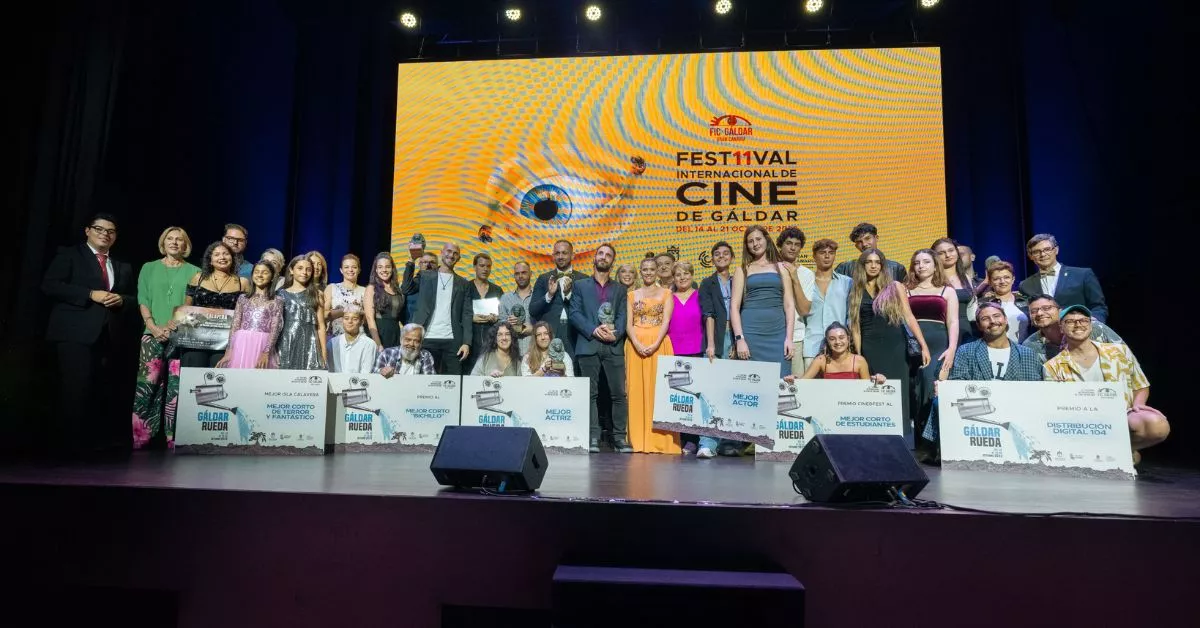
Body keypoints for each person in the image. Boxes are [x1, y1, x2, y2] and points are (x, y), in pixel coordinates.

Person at [43, 213, 137, 457]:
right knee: (75, 389)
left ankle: (92, 443)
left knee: (100, 390)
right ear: (87, 231)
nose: (105, 234)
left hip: (109, 336)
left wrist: (122, 300)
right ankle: (70, 446)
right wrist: (88, 294)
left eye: (110, 231)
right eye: (99, 229)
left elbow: (132, 298)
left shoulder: (122, 265)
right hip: (75, 333)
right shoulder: (70, 255)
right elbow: (50, 285)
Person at [1044, 305, 1167, 462]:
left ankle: (1121, 451)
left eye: (1083, 320)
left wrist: (1138, 404)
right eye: (1070, 321)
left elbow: (1140, 384)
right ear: (1061, 327)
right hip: (1081, 424)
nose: (1078, 324)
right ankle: (1116, 456)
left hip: (1122, 416)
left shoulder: (1119, 352)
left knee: (1157, 425)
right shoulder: (1053, 366)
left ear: (1090, 325)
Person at [848, 248, 931, 446]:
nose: (874, 265)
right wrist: (858, 355)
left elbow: (909, 316)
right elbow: (855, 326)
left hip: (895, 346)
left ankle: (900, 440)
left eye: (877, 262)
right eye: (869, 262)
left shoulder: (894, 286)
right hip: (869, 346)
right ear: (863, 265)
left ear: (883, 265)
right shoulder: (856, 289)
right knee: (873, 391)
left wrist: (923, 345)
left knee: (897, 391)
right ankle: (875, 439)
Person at [131, 226, 200, 449]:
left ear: (185, 245)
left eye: (179, 240)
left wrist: (172, 326)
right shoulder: (148, 268)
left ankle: (172, 437)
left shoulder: (195, 271)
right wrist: (152, 326)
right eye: (170, 239)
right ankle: (142, 436)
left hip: (182, 335)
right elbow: (143, 298)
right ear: (163, 242)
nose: (174, 242)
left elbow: (192, 304)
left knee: (175, 388)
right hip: (151, 334)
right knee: (148, 385)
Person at [567, 243, 631, 453]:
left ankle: (620, 438)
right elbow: (574, 313)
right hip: (589, 344)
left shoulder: (620, 289)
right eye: (600, 254)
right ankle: (593, 436)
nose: (604, 257)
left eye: (608, 255)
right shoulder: (580, 285)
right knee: (590, 394)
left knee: (619, 394)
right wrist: (594, 330)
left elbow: (623, 316)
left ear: (613, 261)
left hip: (613, 345)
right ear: (594, 258)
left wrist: (616, 333)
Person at [904, 248, 959, 441]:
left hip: (938, 345)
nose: (921, 266)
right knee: (912, 391)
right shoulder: (905, 290)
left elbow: (952, 321)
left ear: (935, 265)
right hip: (909, 345)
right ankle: (916, 442)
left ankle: (932, 444)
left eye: (926, 262)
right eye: (917, 263)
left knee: (930, 388)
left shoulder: (947, 290)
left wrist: (952, 348)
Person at [625, 256, 679, 454]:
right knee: (636, 390)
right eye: (644, 269)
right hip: (635, 346)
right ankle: (638, 440)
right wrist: (637, 344)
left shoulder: (666, 293)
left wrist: (655, 343)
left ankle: (660, 441)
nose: (648, 272)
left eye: (651, 269)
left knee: (659, 392)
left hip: (659, 345)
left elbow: (665, 322)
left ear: (657, 271)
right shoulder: (631, 295)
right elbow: (628, 324)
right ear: (640, 271)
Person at [731, 225, 796, 377]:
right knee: (752, 386)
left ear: (766, 240)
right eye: (750, 241)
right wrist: (740, 339)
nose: (755, 244)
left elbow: (789, 305)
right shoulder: (742, 269)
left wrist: (789, 339)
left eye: (758, 239)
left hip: (778, 334)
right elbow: (734, 306)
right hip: (751, 334)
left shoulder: (782, 268)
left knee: (782, 383)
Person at [181, 242, 251, 368]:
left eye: (226, 254)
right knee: (192, 378)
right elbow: (186, 308)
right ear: (210, 260)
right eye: (217, 254)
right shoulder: (198, 278)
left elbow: (246, 315)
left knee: (220, 381)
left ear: (232, 258)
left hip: (225, 344)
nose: (222, 257)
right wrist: (177, 320)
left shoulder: (243, 283)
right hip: (196, 340)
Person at [1019, 234, 1108, 322]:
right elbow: (1028, 315)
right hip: (1045, 335)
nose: (1042, 254)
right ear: (1030, 256)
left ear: (1056, 250)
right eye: (1036, 252)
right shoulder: (1025, 285)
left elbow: (1098, 307)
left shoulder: (1083, 275)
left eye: (1047, 249)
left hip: (1079, 330)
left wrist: (1094, 323)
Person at [414, 242, 473, 374]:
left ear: (459, 258)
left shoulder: (463, 283)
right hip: (427, 337)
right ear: (442, 252)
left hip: (453, 340)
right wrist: (411, 260)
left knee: (452, 383)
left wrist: (466, 342)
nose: (451, 255)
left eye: (455, 253)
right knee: (425, 382)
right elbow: (406, 288)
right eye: (448, 251)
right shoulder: (426, 276)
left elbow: (467, 314)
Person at [948, 302, 1042, 381]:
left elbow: (1034, 388)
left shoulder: (1027, 354)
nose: (992, 321)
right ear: (979, 325)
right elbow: (958, 385)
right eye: (985, 319)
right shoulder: (966, 351)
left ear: (1005, 320)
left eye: (996, 316)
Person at [216, 261, 283, 369]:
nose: (260, 275)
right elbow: (235, 324)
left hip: (262, 344)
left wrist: (267, 352)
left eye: (265, 272)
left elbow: (276, 327)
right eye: (256, 272)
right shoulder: (243, 298)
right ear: (252, 275)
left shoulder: (276, 300)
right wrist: (229, 350)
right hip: (242, 343)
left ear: (272, 277)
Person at [531, 239, 589, 360]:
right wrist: (549, 295)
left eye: (564, 253)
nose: (560, 256)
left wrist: (568, 295)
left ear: (572, 255)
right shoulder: (543, 278)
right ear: (553, 256)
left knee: (574, 375)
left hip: (575, 336)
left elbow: (588, 311)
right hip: (549, 337)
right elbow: (533, 310)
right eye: (557, 253)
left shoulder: (584, 280)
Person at [1022, 295, 1123, 363]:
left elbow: (1125, 356)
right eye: (1034, 311)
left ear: (1060, 311)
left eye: (1047, 308)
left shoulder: (1092, 327)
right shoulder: (1030, 345)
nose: (1039, 313)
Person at [802, 239, 853, 370]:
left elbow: (851, 315)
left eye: (831, 252)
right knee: (809, 389)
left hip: (839, 348)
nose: (827, 256)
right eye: (822, 252)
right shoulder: (805, 282)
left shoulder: (847, 282)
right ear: (814, 255)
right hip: (811, 344)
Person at [276, 255, 328, 369]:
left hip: (310, 344)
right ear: (291, 270)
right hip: (286, 342)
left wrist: (324, 352)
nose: (304, 272)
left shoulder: (317, 294)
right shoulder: (280, 294)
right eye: (300, 268)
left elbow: (321, 325)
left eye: (308, 269)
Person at [777, 227, 814, 375]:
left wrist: (794, 277)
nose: (792, 248)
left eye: (797, 244)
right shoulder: (768, 268)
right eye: (788, 243)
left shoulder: (806, 273)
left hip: (796, 338)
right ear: (780, 245)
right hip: (770, 334)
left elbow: (804, 310)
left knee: (794, 387)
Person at [799, 322, 884, 381]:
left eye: (841, 337)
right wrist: (793, 380)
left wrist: (878, 380)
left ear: (848, 338)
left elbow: (867, 389)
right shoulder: (821, 360)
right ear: (828, 342)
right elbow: (803, 384)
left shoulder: (859, 361)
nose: (837, 342)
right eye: (832, 339)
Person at [931, 238, 976, 344]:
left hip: (965, 329)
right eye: (941, 253)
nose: (948, 255)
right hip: (940, 329)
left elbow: (971, 308)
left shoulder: (965, 278)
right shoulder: (931, 279)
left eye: (951, 250)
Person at [975, 261, 1030, 343]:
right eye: (997, 279)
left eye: (1006, 277)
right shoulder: (982, 304)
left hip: (1023, 351)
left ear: (1013, 279)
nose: (1002, 281)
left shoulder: (1026, 301)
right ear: (990, 282)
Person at [468, 253, 504, 372]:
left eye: (488, 266)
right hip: (470, 341)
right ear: (474, 267)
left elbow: (502, 315)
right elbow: (456, 314)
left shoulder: (497, 290)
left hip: (491, 342)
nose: (485, 269)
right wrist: (470, 318)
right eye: (482, 265)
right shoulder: (466, 287)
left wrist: (496, 318)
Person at [835, 222, 906, 281]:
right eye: (859, 242)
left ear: (876, 238)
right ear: (856, 246)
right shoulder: (844, 268)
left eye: (867, 238)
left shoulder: (896, 268)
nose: (864, 244)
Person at [700, 241, 734, 361]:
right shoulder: (707, 283)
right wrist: (710, 344)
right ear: (713, 260)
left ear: (732, 258)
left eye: (726, 253)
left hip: (735, 333)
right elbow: (708, 314)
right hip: (716, 334)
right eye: (717, 254)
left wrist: (738, 340)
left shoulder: (737, 282)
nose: (721, 256)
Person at [364, 252, 404, 348]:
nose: (384, 270)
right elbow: (369, 318)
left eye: (387, 266)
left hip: (395, 334)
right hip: (379, 334)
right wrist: (378, 344)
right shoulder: (371, 288)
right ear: (376, 270)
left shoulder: (397, 289)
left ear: (392, 269)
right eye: (380, 267)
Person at [325, 307, 377, 374]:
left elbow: (366, 373)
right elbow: (329, 370)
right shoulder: (332, 343)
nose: (350, 321)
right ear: (342, 320)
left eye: (355, 319)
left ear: (361, 322)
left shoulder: (369, 344)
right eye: (346, 318)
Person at [325, 254, 366, 337]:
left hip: (358, 338)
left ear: (359, 270)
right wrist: (344, 310)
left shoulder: (365, 291)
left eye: (354, 267)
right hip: (335, 338)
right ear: (341, 270)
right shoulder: (332, 288)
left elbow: (368, 317)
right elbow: (324, 315)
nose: (350, 270)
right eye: (346, 267)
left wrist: (359, 312)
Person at [500, 261, 535, 353]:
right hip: (512, 352)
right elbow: (500, 325)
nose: (520, 276)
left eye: (524, 272)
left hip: (534, 352)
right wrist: (508, 324)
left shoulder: (539, 297)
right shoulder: (505, 298)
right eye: (517, 273)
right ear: (514, 276)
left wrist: (534, 329)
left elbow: (548, 324)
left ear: (531, 274)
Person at [400, 250, 437, 324]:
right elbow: (406, 289)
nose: (428, 265)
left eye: (432, 262)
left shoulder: (441, 283)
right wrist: (411, 262)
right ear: (419, 264)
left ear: (437, 265)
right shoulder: (415, 282)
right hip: (413, 327)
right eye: (425, 262)